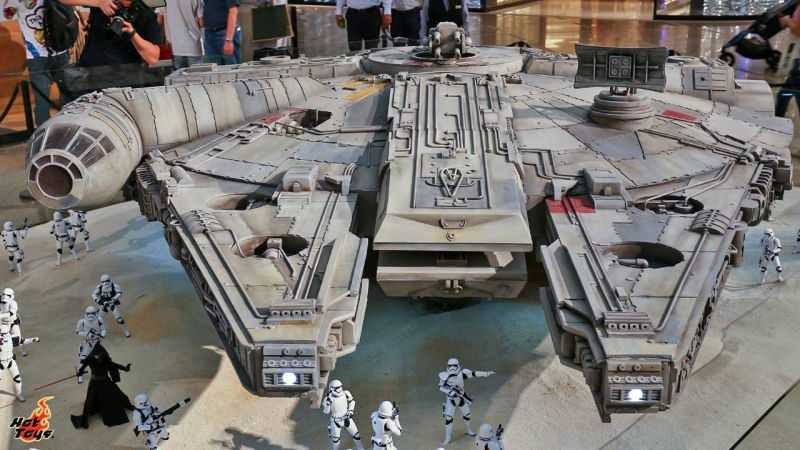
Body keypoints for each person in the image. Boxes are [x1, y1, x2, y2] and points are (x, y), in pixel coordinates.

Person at [1, 0, 76, 127]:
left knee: (68, 93)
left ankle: (70, 126)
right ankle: (44, 131)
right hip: (38, 56)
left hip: (60, 51)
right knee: (43, 99)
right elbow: (8, 14)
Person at [70, 342, 133, 428]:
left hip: (103, 382)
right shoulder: (92, 359)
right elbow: (82, 368)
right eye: (97, 355)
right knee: (90, 400)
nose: (98, 357)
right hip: (97, 383)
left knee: (117, 394)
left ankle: (127, 406)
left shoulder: (101, 360)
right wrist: (80, 373)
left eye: (100, 355)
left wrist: (126, 368)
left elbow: (115, 365)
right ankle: (85, 420)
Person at [438, 357, 495, 445]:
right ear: (447, 366)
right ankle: (447, 438)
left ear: (458, 366)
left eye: (454, 365)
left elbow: (474, 373)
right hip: (451, 399)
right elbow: (441, 387)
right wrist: (450, 392)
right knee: (448, 418)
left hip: (461, 398)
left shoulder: (462, 373)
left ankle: (469, 430)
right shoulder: (444, 376)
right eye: (450, 366)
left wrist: (485, 373)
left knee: (467, 415)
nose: (452, 368)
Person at [0, 311, 39, 402]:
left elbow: (22, 341)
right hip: (1, 362)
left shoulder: (11, 337)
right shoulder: (9, 337)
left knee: (17, 379)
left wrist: (33, 339)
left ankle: (19, 394)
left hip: (10, 361)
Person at [322, 379, 365, 450]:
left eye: (340, 386)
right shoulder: (328, 399)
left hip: (347, 418)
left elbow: (352, 402)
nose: (340, 389)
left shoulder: (346, 393)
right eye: (337, 388)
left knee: (356, 435)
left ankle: (361, 448)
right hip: (335, 421)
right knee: (336, 442)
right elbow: (326, 412)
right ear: (332, 389)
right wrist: (328, 404)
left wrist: (350, 411)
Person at [165, 0, 203, 69]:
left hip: (176, 46)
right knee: (196, 73)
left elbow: (161, 18)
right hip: (193, 45)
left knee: (178, 75)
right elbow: (201, 22)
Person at [203, 0, 241, 65]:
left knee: (231, 68)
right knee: (212, 69)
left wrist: (229, 40)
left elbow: (233, 10)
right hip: (209, 34)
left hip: (225, 33)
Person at [76, 305, 106, 384]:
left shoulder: (99, 319)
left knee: (102, 358)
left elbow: (103, 329)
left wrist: (102, 335)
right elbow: (78, 332)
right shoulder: (82, 322)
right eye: (88, 313)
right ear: (86, 314)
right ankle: (80, 375)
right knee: (83, 359)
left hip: (97, 343)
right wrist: (87, 334)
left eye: (92, 313)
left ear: (95, 313)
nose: (90, 315)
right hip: (87, 343)